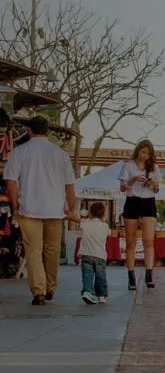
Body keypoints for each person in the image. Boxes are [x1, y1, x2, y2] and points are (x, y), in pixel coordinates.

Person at [3, 116, 78, 305]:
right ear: (48, 132)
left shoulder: (20, 152)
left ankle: (39, 292)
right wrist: (71, 208)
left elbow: (11, 181)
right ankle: (51, 287)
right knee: (52, 249)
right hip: (55, 209)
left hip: (29, 208)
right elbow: (70, 185)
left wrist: (15, 204)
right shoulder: (60, 154)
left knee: (33, 251)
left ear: (29, 131)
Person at [119, 139, 161, 290]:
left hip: (148, 202)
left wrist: (153, 184)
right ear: (138, 151)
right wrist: (132, 180)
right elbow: (122, 187)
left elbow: (157, 189)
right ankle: (131, 276)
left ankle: (149, 274)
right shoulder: (128, 165)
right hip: (132, 201)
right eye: (143, 152)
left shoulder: (154, 167)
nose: (145, 156)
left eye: (148, 154)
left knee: (148, 240)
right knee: (130, 241)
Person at [79, 201, 110, 304]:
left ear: (90, 213)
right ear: (103, 214)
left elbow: (76, 220)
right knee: (100, 276)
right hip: (100, 256)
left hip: (86, 254)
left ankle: (88, 292)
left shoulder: (85, 223)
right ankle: (102, 295)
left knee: (87, 274)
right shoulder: (105, 226)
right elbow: (109, 234)